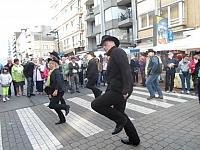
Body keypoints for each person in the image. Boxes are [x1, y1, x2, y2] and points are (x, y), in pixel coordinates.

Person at [91, 35, 140, 146]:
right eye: (103, 45)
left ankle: (120, 120)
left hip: (120, 91)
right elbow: (113, 77)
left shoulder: (118, 52)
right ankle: (134, 139)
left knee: (96, 104)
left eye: (105, 44)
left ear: (113, 42)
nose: (104, 47)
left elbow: (126, 71)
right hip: (117, 89)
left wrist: (126, 90)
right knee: (121, 114)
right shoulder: (113, 55)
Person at [45, 57, 70, 125]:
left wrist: (56, 90)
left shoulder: (56, 71)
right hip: (52, 91)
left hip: (58, 91)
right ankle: (62, 119)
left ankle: (65, 107)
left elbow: (58, 82)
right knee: (55, 106)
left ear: (54, 65)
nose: (49, 65)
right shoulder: (51, 72)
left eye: (51, 64)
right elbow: (51, 83)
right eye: (49, 63)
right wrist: (49, 93)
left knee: (52, 105)